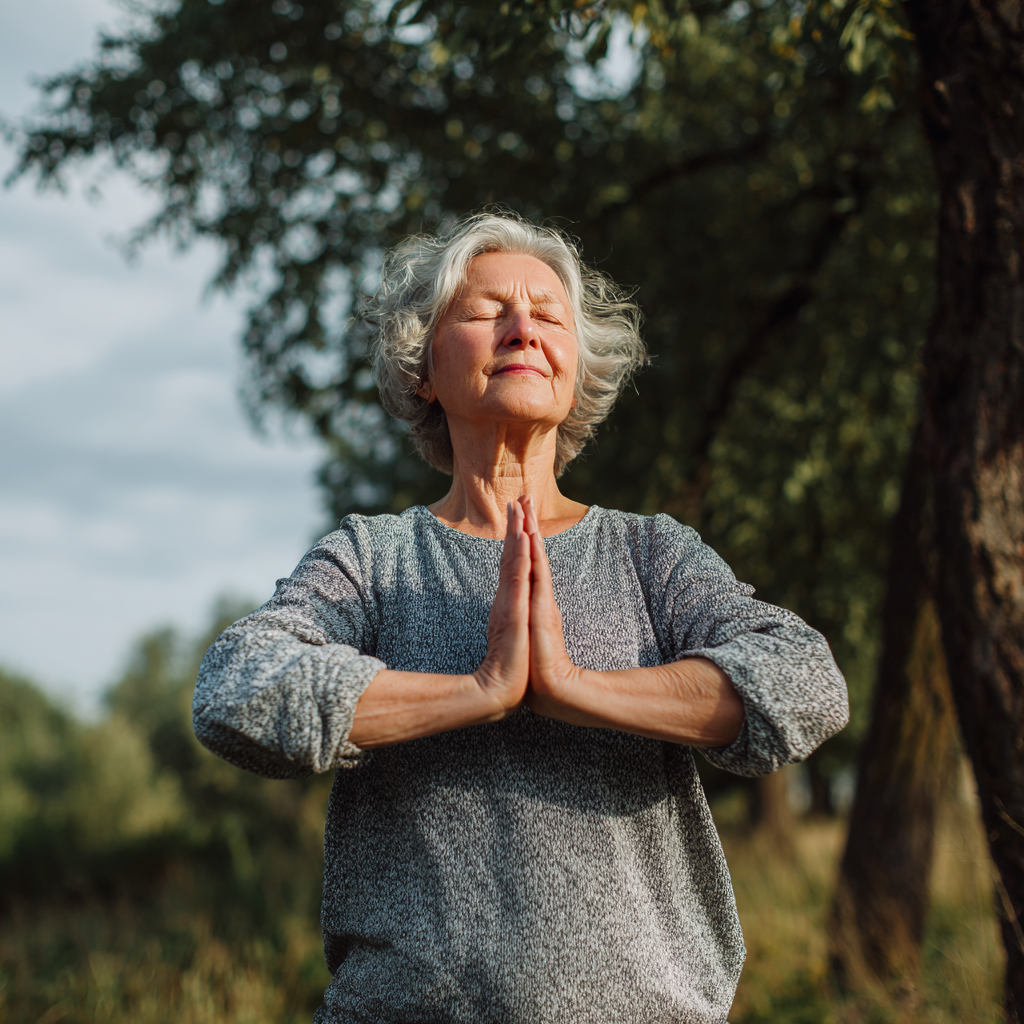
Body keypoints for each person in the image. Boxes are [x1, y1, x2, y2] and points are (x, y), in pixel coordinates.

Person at [193, 212, 849, 1024]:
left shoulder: (652, 555)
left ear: (576, 366)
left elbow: (805, 681)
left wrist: (572, 688)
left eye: (548, 313)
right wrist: (478, 692)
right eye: (484, 310)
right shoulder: (374, 558)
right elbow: (237, 693)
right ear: (423, 365)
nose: (522, 328)